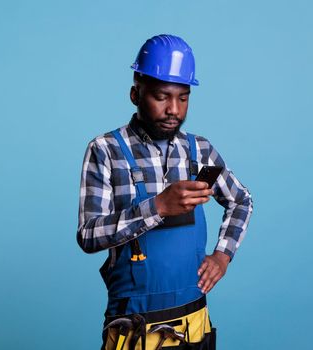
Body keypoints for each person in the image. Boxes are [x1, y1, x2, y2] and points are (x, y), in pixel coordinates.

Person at [77, 34, 253, 350]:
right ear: (135, 94)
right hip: (136, 328)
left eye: (183, 98)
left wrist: (223, 256)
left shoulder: (199, 150)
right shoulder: (106, 151)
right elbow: (89, 235)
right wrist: (157, 206)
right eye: (161, 97)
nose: (173, 109)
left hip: (194, 323)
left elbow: (241, 200)